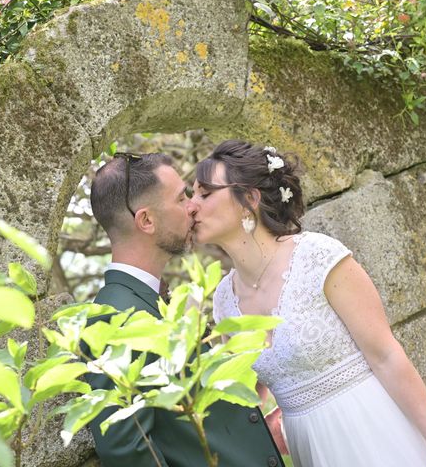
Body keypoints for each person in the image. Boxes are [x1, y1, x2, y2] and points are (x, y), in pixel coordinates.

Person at [190, 140, 426, 467]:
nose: (191, 206)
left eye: (204, 194)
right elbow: (250, 390)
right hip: (310, 449)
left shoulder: (318, 257)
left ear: (250, 200)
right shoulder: (223, 300)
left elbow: (386, 356)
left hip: (374, 429)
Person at [87, 152, 285, 467]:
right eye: (181, 198)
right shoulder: (115, 316)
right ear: (147, 221)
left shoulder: (151, 301)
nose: (193, 206)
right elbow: (129, 454)